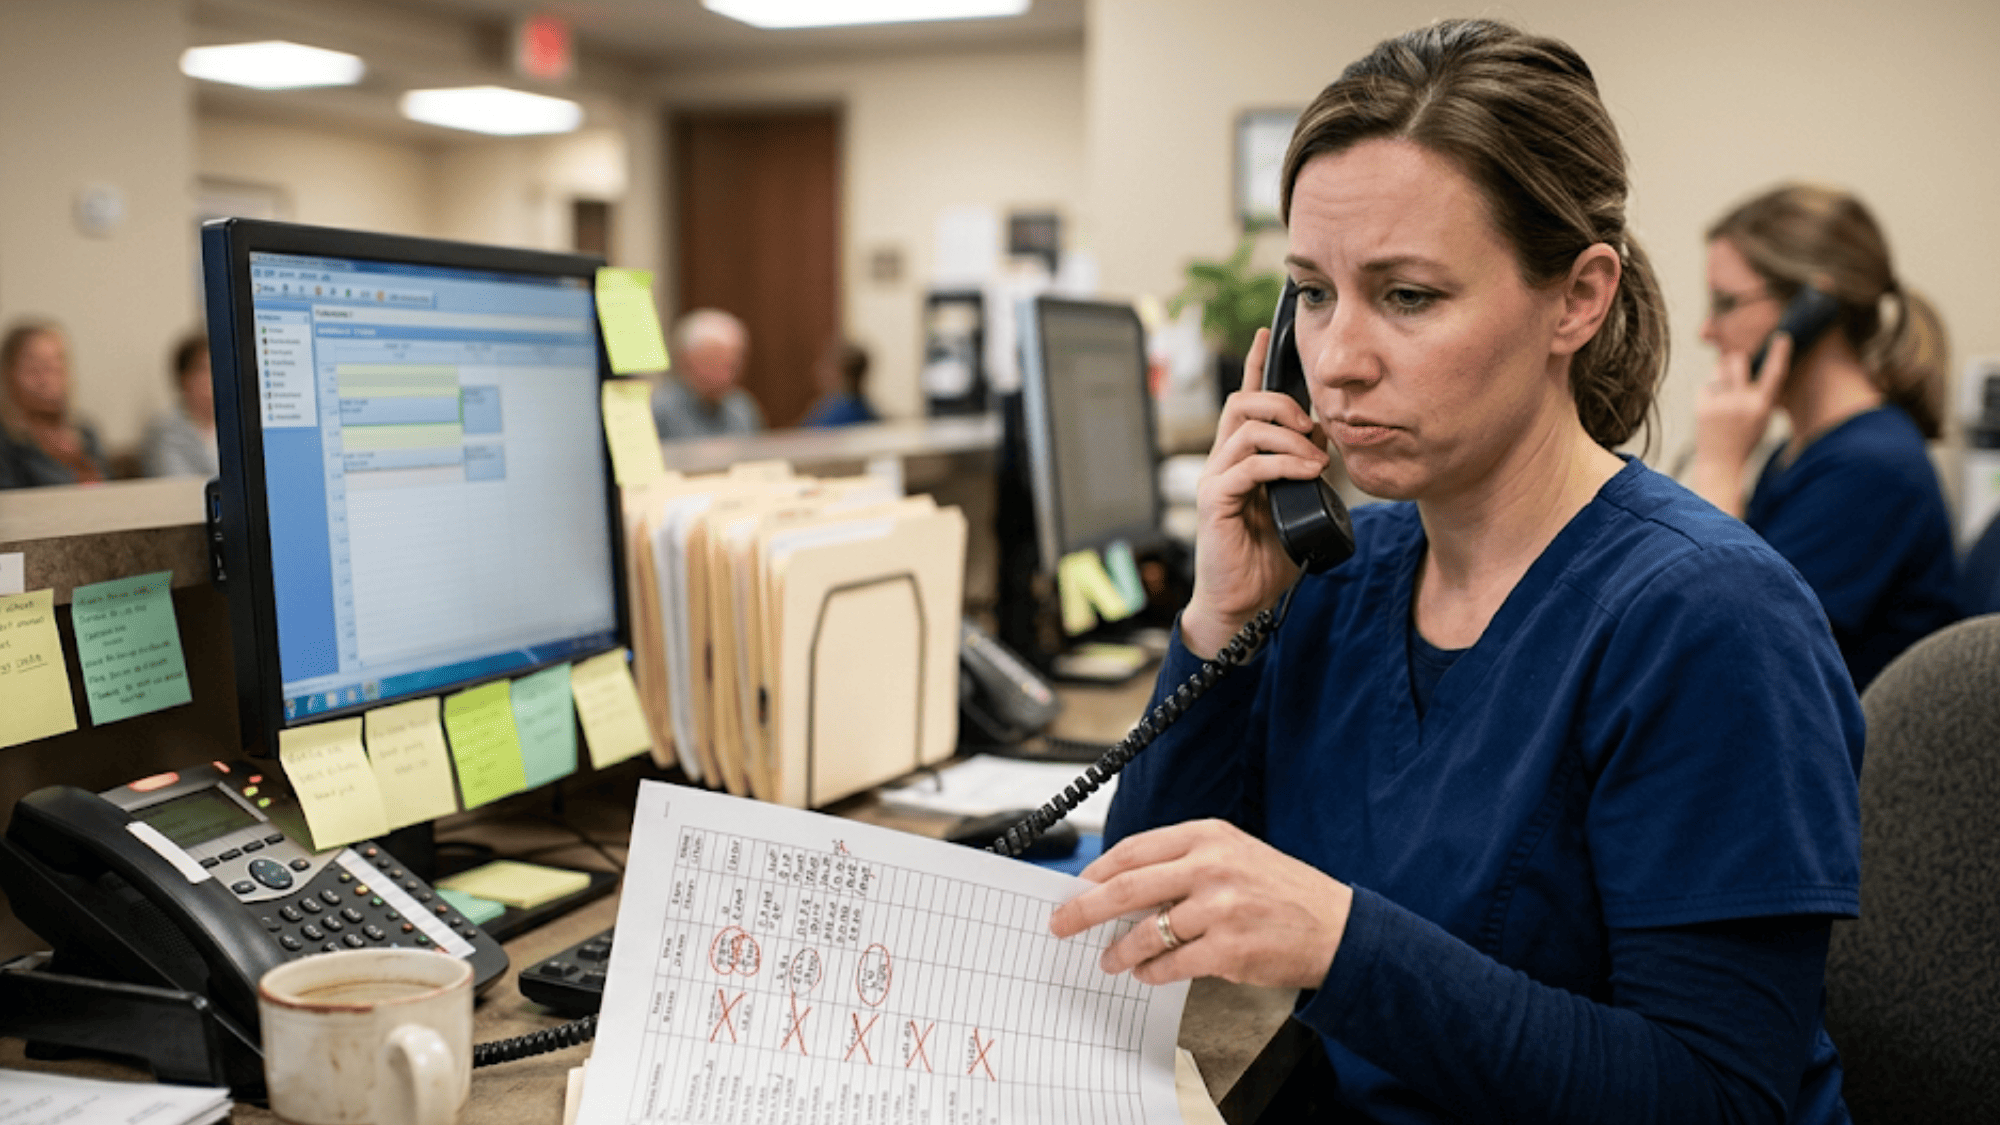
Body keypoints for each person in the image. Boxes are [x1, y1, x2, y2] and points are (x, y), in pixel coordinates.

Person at [1048, 20, 1863, 1123]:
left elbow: (1720, 1098)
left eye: (1408, 296)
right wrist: (1218, 622)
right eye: (1314, 293)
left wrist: (1340, 943)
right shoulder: (1334, 575)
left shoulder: (1709, 620)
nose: (1336, 360)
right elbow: (1140, 914)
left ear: (1576, 298)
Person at [1686, 184, 1960, 690]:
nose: (1707, 329)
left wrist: (1718, 468)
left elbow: (1727, 643)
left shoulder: (1870, 469)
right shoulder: (1802, 452)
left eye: (1726, 302)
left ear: (1811, 308)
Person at [0, 319, 109, 489]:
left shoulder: (86, 432)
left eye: (56, 365)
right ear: (8, 374)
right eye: (34, 368)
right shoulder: (6, 441)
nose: (47, 379)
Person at [651, 308, 765, 440]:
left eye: (732, 365)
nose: (725, 375)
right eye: (714, 363)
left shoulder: (742, 408)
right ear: (685, 360)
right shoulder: (657, 410)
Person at [140, 329, 219, 479]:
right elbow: (175, 483)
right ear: (185, 379)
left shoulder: (235, 427)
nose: (216, 377)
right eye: (205, 369)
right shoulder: (163, 431)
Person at [798, 338, 879, 428]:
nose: (818, 369)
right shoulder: (867, 411)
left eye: (826, 365)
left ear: (839, 373)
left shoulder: (835, 414)